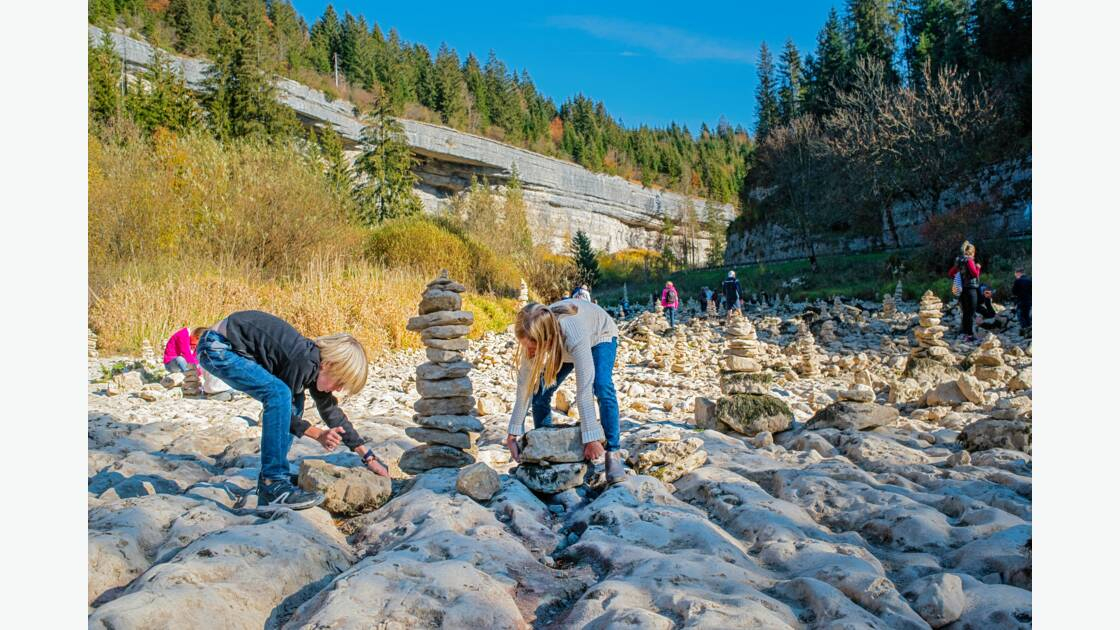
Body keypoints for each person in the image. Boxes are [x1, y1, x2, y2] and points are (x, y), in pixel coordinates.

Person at [197, 310, 389, 511]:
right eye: (340, 382)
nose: (339, 389)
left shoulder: (315, 367)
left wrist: (367, 456)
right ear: (328, 364)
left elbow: (331, 412)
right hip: (216, 347)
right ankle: (273, 483)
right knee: (280, 395)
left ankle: (271, 482)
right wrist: (318, 434)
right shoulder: (303, 360)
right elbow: (279, 411)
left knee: (294, 400)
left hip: (229, 348)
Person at [504, 300, 624, 484]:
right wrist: (513, 434)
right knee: (540, 394)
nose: (529, 352)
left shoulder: (573, 332)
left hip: (600, 335)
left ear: (546, 340)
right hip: (562, 345)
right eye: (526, 346)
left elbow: (584, 389)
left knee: (601, 386)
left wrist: (591, 438)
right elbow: (524, 386)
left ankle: (613, 453)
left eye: (532, 348)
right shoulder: (534, 329)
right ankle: (546, 445)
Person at [948, 241, 982, 341]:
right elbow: (975, 274)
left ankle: (964, 332)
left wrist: (960, 277)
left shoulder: (959, 261)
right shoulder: (969, 260)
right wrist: (978, 268)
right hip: (971, 289)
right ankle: (969, 335)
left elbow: (951, 273)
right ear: (972, 252)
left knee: (966, 313)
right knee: (971, 313)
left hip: (962, 290)